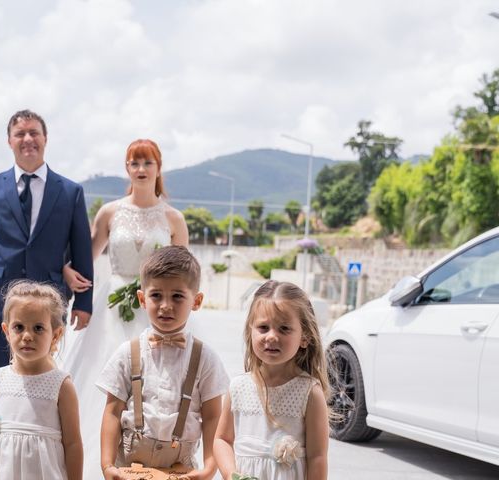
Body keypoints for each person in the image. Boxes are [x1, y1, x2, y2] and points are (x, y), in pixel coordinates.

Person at [58, 139, 188, 477]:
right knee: (109, 384)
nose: (141, 170)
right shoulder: (110, 212)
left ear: (159, 169)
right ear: (127, 169)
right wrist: (66, 270)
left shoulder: (174, 218)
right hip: (114, 308)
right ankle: (99, 462)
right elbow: (86, 256)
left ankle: (152, 458)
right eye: (134, 163)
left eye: (148, 163)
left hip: (157, 308)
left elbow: (184, 272)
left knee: (155, 383)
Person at [0, 109, 93, 407]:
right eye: (20, 133)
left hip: (49, 308)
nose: (28, 139)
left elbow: (82, 250)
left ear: (45, 139)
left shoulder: (70, 192)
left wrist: (84, 303)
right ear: (9, 141)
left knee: (44, 381)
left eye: (34, 132)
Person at [97, 246, 229, 480]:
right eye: (156, 295)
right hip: (129, 464)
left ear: (196, 301)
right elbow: (113, 411)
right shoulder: (128, 353)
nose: (166, 305)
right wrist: (107, 466)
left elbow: (212, 417)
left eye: (177, 296)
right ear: (142, 299)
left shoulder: (205, 357)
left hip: (181, 467)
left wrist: (210, 468)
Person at [213, 281, 331, 480]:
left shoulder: (309, 393)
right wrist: (230, 473)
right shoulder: (238, 387)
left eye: (284, 329)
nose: (272, 336)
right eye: (263, 327)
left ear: (305, 337)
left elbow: (317, 457)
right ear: (251, 331)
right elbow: (222, 439)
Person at [0, 280, 83, 480]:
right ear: (6, 331)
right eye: (19, 327)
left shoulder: (61, 385)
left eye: (38, 328)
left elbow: (73, 443)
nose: (27, 336)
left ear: (55, 335)